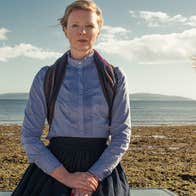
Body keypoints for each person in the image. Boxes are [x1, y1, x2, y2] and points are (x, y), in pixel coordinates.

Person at [12, 0, 131, 195]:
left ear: (98, 30)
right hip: (55, 168)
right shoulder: (46, 76)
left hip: (101, 169)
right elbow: (29, 136)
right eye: (75, 25)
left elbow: (121, 136)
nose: (82, 32)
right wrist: (66, 177)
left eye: (89, 26)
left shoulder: (115, 77)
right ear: (65, 30)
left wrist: (92, 178)